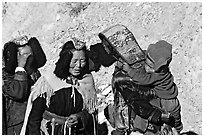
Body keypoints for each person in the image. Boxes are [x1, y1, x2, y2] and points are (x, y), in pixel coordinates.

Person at [20, 38, 116, 135]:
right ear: (66, 60)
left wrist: (79, 117)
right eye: (74, 61)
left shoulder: (86, 80)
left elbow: (91, 113)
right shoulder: (48, 82)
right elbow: (34, 118)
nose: (78, 65)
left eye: (82, 61)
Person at [121, 40, 183, 134]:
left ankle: (178, 130)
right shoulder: (161, 68)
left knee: (172, 119)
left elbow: (144, 79)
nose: (146, 68)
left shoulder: (159, 74)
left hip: (168, 101)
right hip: (167, 97)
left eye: (150, 66)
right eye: (146, 63)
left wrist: (129, 70)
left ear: (160, 67)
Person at [2, 36, 47, 135]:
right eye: (24, 55)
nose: (27, 59)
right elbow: (18, 93)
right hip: (15, 128)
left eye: (29, 55)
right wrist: (20, 68)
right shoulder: (6, 77)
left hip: (32, 124)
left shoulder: (34, 74)